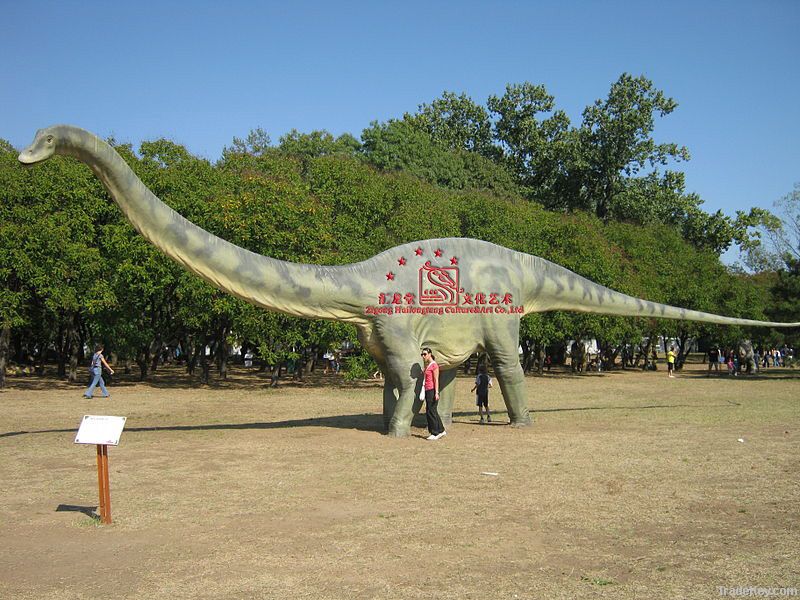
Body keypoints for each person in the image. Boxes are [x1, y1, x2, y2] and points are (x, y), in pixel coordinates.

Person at [421, 348, 445, 440]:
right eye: (422, 354)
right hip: (427, 390)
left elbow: (436, 379)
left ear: (430, 354)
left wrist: (436, 392)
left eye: (425, 354)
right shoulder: (428, 366)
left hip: (431, 390)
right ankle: (441, 430)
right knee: (432, 411)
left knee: (430, 411)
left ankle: (435, 432)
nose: (423, 356)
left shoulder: (434, 365)